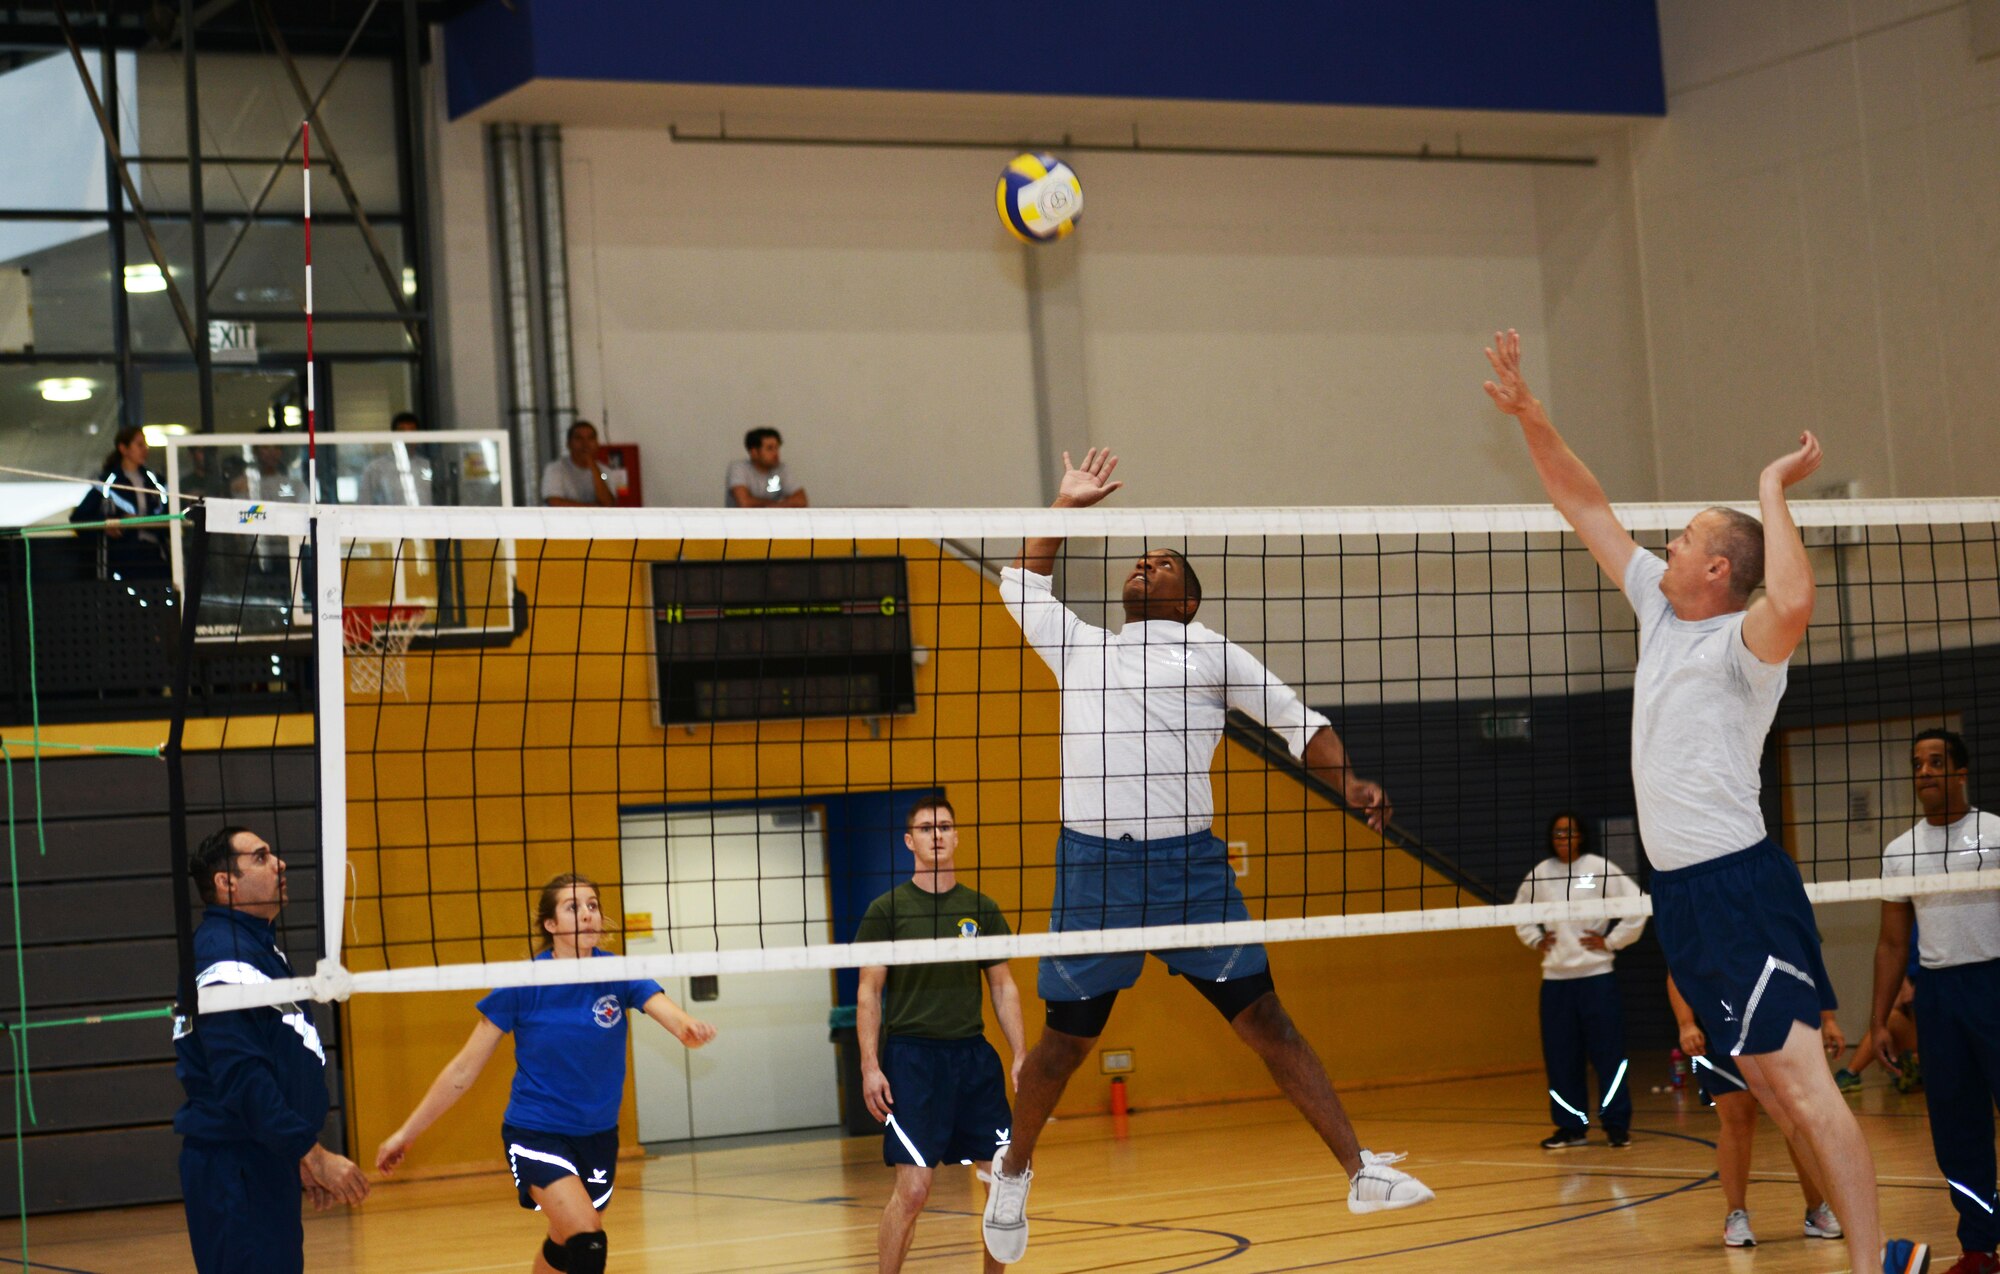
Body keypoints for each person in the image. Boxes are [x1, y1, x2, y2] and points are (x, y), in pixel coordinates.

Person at [1483, 328, 1928, 1274]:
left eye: (1683, 538)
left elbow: (1797, 601)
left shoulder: (1743, 647)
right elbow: (1583, 502)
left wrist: (1770, 492)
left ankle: (1872, 1260)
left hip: (1738, 887)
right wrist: (1532, 418)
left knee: (1804, 1086)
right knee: (1765, 1079)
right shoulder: (1655, 604)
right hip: (1681, 894)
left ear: (1718, 571)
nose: (1665, 544)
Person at [980, 447, 1432, 1264]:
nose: (1144, 567)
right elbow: (1019, 583)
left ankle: (1358, 1170)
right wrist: (1063, 506)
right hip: (1097, 872)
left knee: (1268, 1021)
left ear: (1187, 599)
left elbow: (1304, 725)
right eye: (1138, 561)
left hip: (1191, 872)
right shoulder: (1081, 647)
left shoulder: (1214, 653)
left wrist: (1351, 780)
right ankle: (1014, 1174)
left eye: (1161, 565)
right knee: (1063, 1047)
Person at [375, 873, 714, 1274]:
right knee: (587, 1240)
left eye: (592, 905)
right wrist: (406, 1134)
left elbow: (669, 1013)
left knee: (563, 1241)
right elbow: (462, 1070)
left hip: (599, 1136)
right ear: (550, 925)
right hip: (537, 1133)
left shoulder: (619, 972)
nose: (588, 914)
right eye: (573, 907)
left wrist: (687, 1029)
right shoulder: (523, 983)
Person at [173, 826, 369, 1273]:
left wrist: (293, 1153)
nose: (279, 863)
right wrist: (312, 1153)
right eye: (260, 857)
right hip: (235, 1166)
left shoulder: (257, 947)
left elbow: (277, 1058)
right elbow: (243, 1078)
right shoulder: (223, 957)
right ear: (227, 883)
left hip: (261, 1158)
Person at [856, 797, 1026, 1274]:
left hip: (973, 1058)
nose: (937, 834)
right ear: (909, 840)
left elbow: (1003, 984)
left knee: (1003, 1190)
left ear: (956, 837)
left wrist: (1020, 1053)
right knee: (912, 1190)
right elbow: (868, 991)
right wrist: (871, 1065)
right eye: (927, 827)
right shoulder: (886, 910)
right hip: (912, 1061)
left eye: (945, 826)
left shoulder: (981, 908)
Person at [1871, 729, 2000, 1274]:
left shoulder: (1995, 834)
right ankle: (1979, 1248)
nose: (1924, 772)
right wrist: (1876, 1021)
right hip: (1940, 997)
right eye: (1917, 764)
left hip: (1995, 983)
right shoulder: (1901, 853)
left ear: (1961, 771)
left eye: (1936, 762)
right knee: (1955, 1127)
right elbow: (1893, 941)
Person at [1670, 975, 1846, 1247]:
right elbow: (1677, 969)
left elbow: (1807, 959)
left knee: (1794, 1117)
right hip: (1719, 1026)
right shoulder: (1696, 931)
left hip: (1772, 1017)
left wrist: (1828, 1018)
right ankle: (1735, 1214)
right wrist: (1686, 1024)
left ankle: (1816, 1209)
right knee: (1738, 1118)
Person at [1512, 811, 1646, 1149]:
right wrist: (1535, 939)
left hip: (1597, 978)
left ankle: (1616, 1125)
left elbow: (1638, 906)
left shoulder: (1599, 867)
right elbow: (1518, 913)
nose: (1563, 838)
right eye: (1557, 833)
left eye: (1569, 832)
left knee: (1609, 1055)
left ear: (1581, 836)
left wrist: (1612, 941)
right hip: (1556, 982)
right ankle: (1570, 1127)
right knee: (1560, 1057)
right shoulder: (1540, 874)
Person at [71, 424, 169, 579]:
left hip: (155, 555)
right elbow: (79, 518)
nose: (145, 449)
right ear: (123, 449)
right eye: (139, 444)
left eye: (146, 444)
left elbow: (169, 512)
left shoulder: (156, 481)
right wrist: (107, 524)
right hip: (122, 557)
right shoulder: (107, 483)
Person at [358, 410, 434, 506]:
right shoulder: (376, 468)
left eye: (412, 432)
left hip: (426, 519)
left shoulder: (427, 466)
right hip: (388, 520)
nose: (407, 438)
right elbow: (364, 504)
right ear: (393, 436)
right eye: (402, 432)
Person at [726, 427, 808, 508]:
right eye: (770, 448)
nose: (776, 453)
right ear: (754, 452)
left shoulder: (781, 469)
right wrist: (778, 503)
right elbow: (744, 503)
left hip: (773, 520)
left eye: (777, 448)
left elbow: (801, 500)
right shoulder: (739, 468)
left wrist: (770, 505)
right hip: (741, 520)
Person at [542, 420, 616, 508]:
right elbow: (554, 502)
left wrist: (593, 466)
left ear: (597, 444)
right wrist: (593, 508)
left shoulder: (604, 472)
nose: (585, 444)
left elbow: (608, 504)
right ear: (568, 444)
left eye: (591, 438)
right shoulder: (555, 469)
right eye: (579, 438)